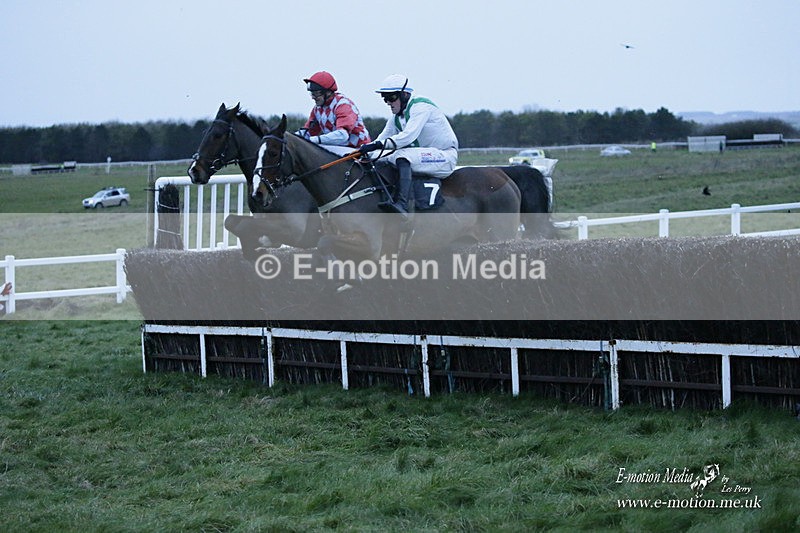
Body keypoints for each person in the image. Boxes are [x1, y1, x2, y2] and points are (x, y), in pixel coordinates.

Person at [358, 74, 459, 217]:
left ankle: (402, 204)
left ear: (404, 95)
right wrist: (363, 151)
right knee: (374, 156)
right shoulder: (396, 118)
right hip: (424, 156)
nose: (388, 102)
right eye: (385, 98)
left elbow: (408, 136)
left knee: (401, 155)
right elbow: (381, 139)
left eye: (391, 97)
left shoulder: (420, 107)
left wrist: (378, 145)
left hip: (444, 157)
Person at [299, 71, 371, 157]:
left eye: (316, 93)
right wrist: (289, 137)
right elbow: (307, 133)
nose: (313, 97)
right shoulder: (317, 109)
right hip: (339, 149)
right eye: (312, 93)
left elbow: (342, 136)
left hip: (358, 149)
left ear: (328, 92)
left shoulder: (343, 105)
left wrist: (314, 140)